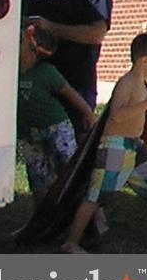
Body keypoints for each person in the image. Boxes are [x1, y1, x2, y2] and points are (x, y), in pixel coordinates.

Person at [61, 32, 147, 252]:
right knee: (96, 195)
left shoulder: (142, 83)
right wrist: (145, 104)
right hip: (115, 145)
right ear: (144, 61)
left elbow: (138, 110)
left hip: (135, 145)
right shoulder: (128, 82)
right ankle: (71, 242)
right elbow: (116, 115)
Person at [17, 24, 92, 206]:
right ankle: (41, 221)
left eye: (20, 41)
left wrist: (88, 113)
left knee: (68, 171)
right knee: (38, 179)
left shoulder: (47, 73)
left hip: (56, 128)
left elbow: (70, 93)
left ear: (34, 50)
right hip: (29, 133)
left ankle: (85, 215)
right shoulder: (11, 73)